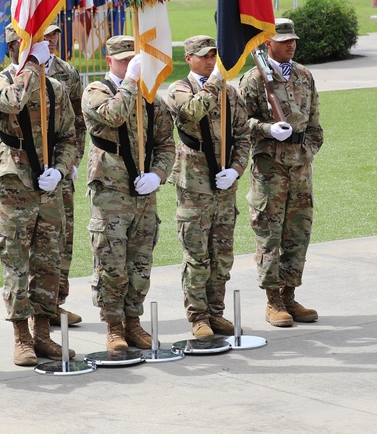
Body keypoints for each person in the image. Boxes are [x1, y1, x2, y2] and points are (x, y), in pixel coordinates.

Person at [0, 26, 80, 366]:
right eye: (35, 43)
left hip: (49, 188)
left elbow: (70, 137)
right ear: (15, 47)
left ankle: (42, 335)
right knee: (16, 265)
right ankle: (21, 337)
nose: (47, 46)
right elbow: (13, 101)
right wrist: (32, 67)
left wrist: (63, 169)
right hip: (15, 187)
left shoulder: (55, 89)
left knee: (48, 263)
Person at [82, 35, 175, 351]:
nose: (129, 65)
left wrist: (158, 174)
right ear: (110, 61)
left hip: (144, 192)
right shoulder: (96, 92)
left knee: (140, 262)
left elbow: (165, 144)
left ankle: (133, 323)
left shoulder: (152, 100)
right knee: (111, 261)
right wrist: (132, 80)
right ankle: (113, 326)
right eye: (123, 60)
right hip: (111, 192)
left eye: (133, 60)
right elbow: (113, 115)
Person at [238, 18, 324, 327]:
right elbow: (240, 123)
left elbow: (314, 124)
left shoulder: (303, 75)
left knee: (298, 232)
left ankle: (290, 294)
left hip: (300, 168)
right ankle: (272, 300)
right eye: (283, 40)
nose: (291, 44)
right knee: (270, 233)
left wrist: (307, 151)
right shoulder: (253, 80)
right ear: (266, 43)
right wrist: (267, 129)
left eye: (293, 40)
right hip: (269, 168)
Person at [166, 35, 250, 338]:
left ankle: (217, 312)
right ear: (188, 58)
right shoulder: (178, 89)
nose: (211, 60)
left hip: (224, 185)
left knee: (222, 254)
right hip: (194, 184)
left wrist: (237, 170)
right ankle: (198, 317)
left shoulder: (230, 92)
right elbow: (192, 111)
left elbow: (243, 135)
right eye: (203, 56)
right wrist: (215, 82)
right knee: (196, 255)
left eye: (214, 55)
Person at [42, 23, 86, 327]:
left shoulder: (67, 73)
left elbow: (78, 122)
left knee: (63, 237)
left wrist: (72, 161)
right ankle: (36, 308)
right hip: (27, 173)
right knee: (36, 244)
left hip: (62, 169)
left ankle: (56, 302)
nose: (52, 40)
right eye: (45, 35)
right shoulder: (12, 76)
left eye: (55, 34)